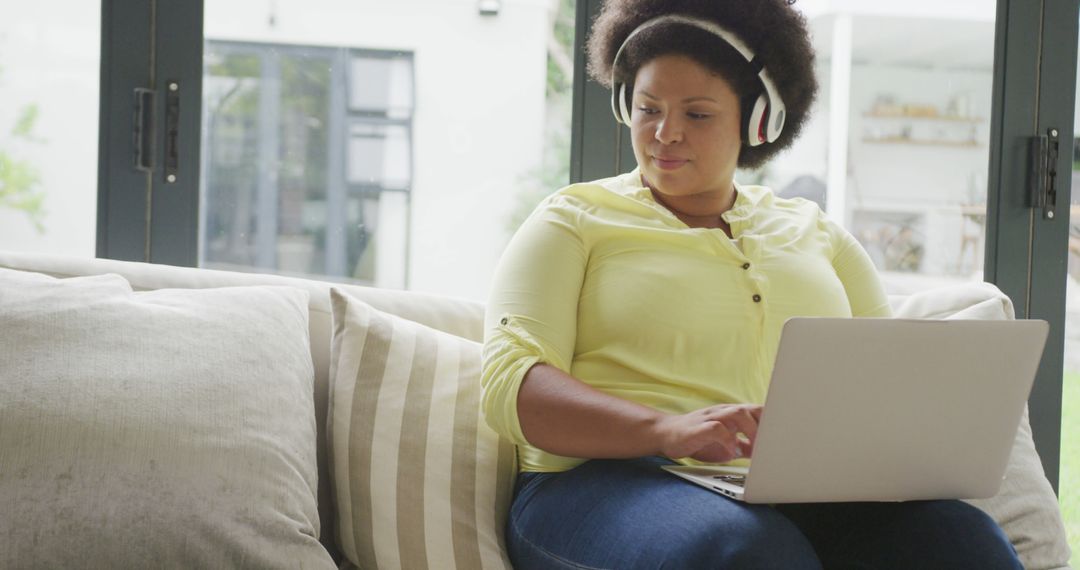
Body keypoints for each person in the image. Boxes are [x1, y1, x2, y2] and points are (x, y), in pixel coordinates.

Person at [480, 0, 1022, 567]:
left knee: (963, 540)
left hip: (779, 494)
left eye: (697, 114)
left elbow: (883, 385)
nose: (665, 133)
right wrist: (664, 430)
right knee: (753, 552)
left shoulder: (819, 235)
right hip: (599, 485)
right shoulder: (572, 219)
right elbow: (508, 382)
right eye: (648, 109)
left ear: (757, 120)